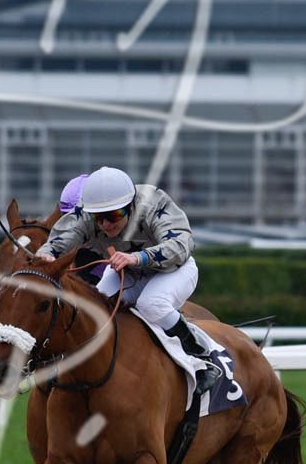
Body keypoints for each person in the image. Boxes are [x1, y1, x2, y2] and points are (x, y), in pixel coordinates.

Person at [36, 166, 221, 394]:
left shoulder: (153, 203)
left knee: (151, 304)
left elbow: (181, 245)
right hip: (128, 272)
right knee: (93, 308)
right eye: (98, 218)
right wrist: (47, 254)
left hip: (174, 270)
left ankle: (203, 358)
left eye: (113, 216)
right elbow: (57, 241)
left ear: (131, 205)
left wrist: (138, 257)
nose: (105, 225)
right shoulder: (86, 212)